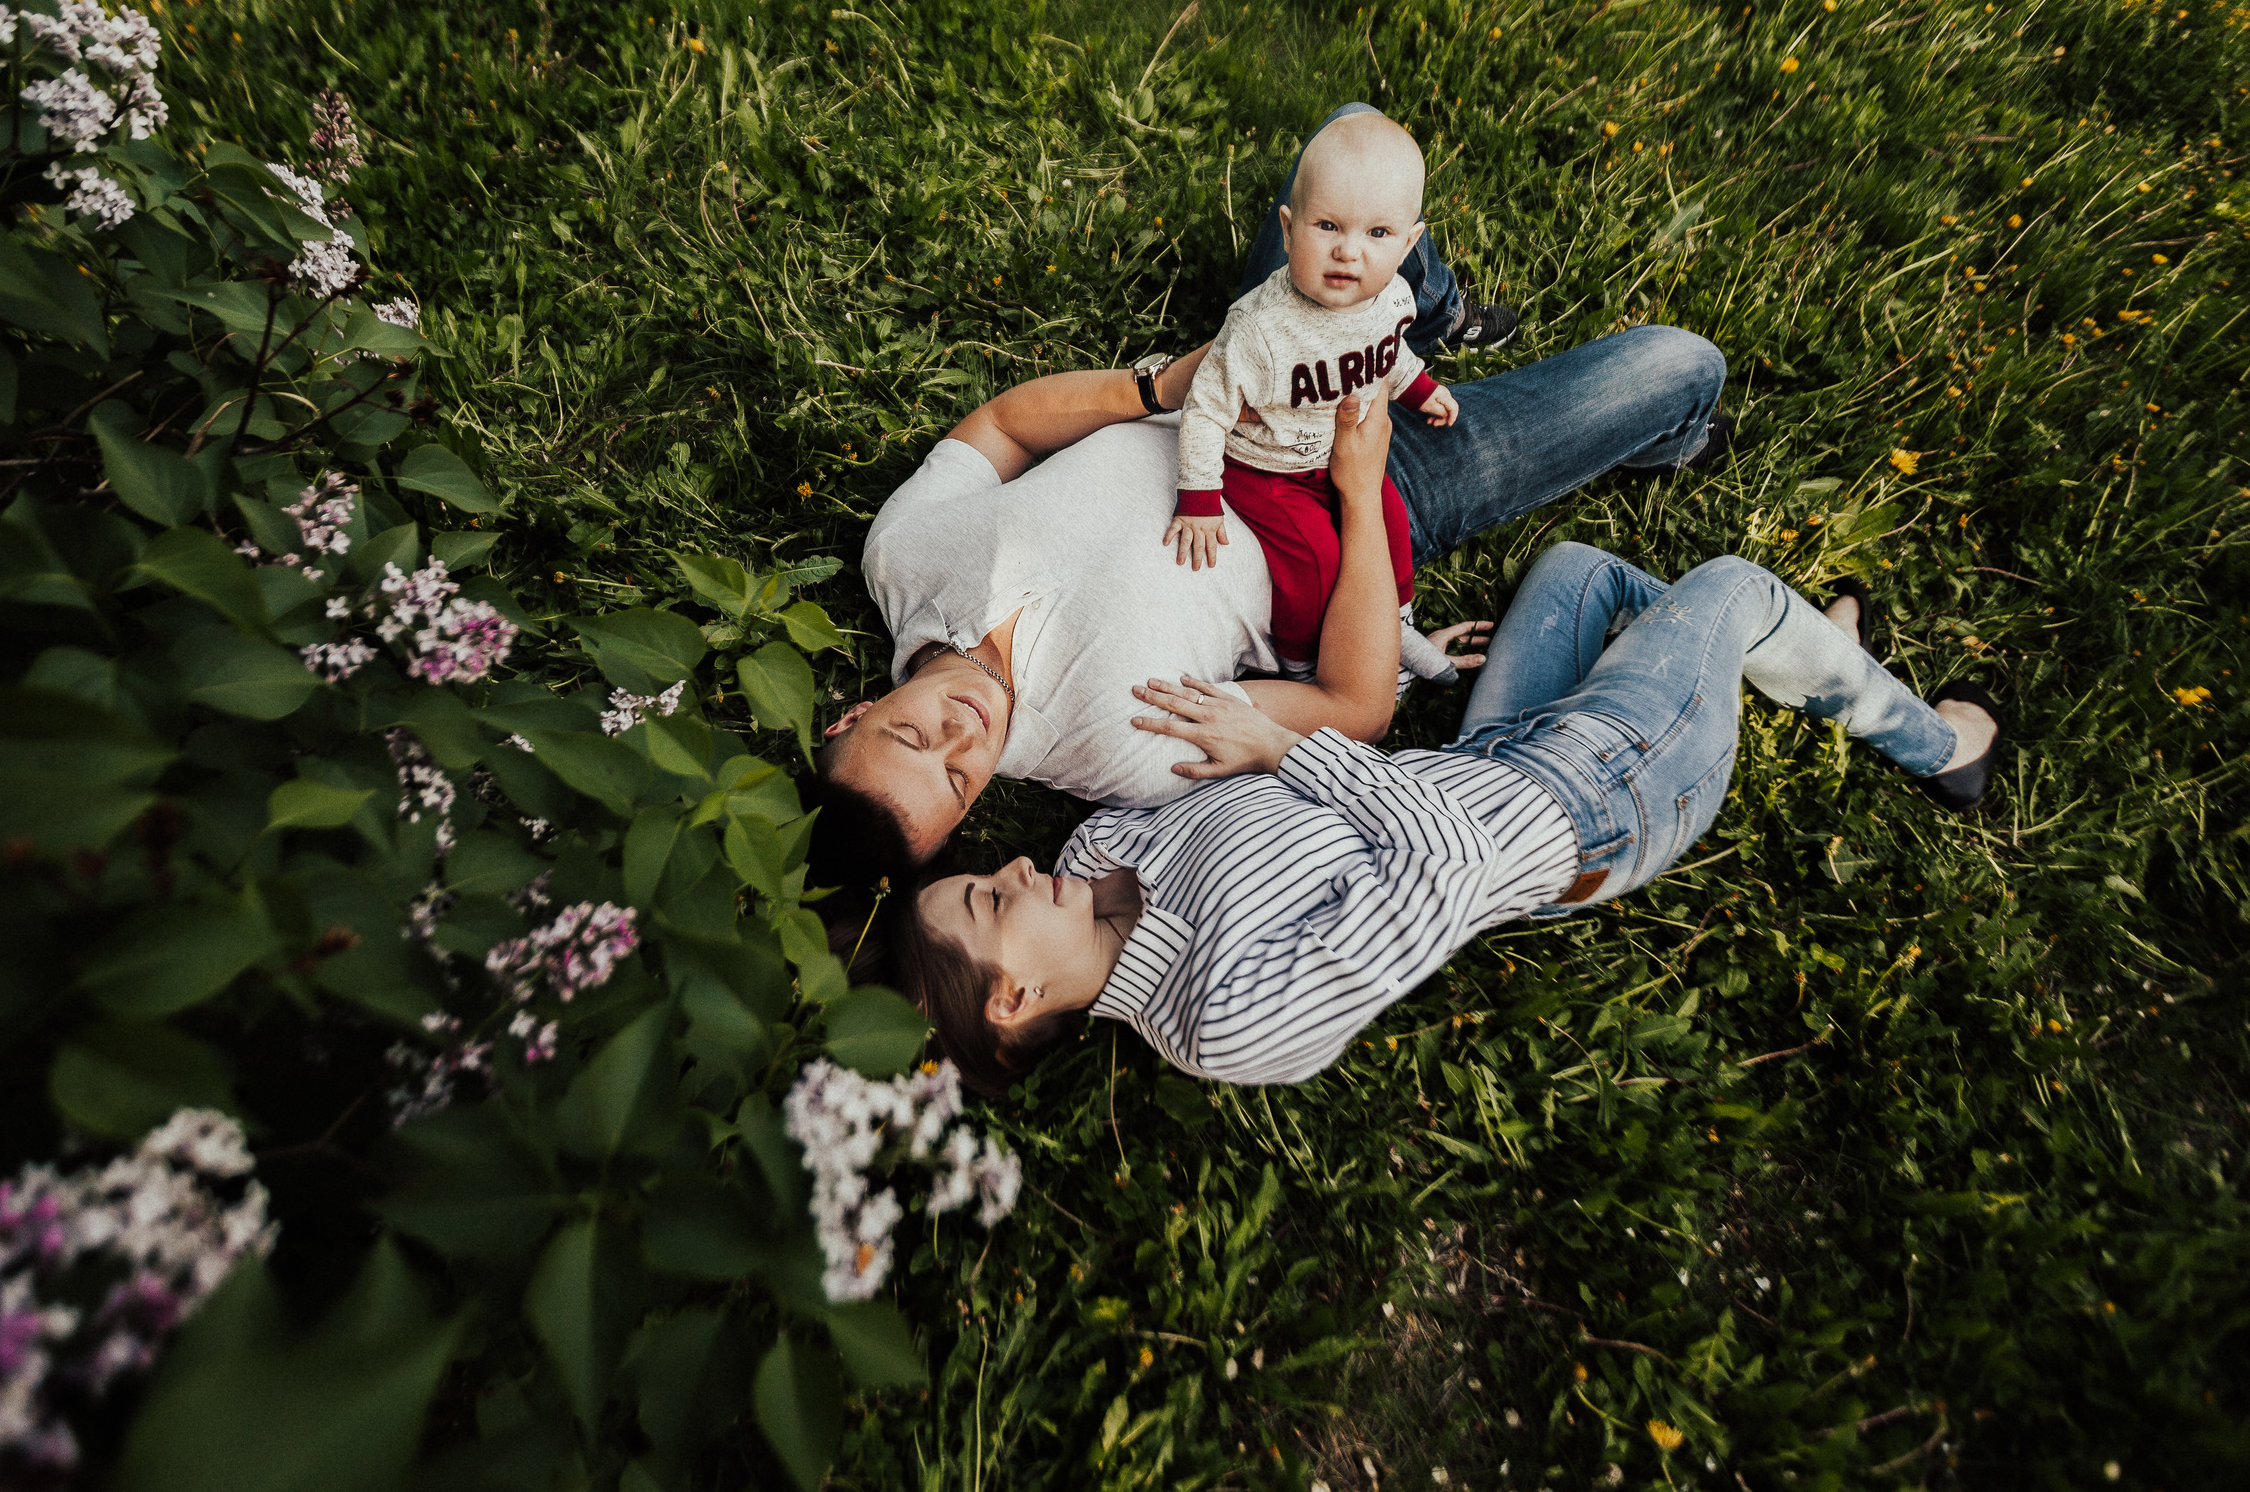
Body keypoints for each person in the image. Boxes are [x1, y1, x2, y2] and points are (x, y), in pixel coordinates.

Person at [855, 386, 2001, 1094]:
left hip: (1486, 755)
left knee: (1580, 576)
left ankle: (1781, 654)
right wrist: (1283, 751)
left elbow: (1275, 693)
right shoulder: (1221, 1019)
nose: (1007, 865)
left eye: (983, 879)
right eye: (990, 904)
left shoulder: (1102, 848)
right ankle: (1937, 744)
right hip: (1584, 806)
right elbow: (1447, 867)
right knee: (1730, 584)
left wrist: (1399, 653)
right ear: (1012, 1004)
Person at [820, 102, 1732, 867]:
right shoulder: (1119, 750)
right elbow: (1354, 705)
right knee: (1679, 364)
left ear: (855, 714)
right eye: (957, 777)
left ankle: (1425, 311)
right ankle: (1674, 436)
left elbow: (1002, 425)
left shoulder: (902, 560)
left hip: (1241, 367)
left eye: (909, 736)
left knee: (1347, 142)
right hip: (1355, 493)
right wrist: (1364, 485)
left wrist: (1161, 386)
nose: (959, 734)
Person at [1169, 113, 1462, 682]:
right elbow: (1205, 408)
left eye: (1377, 234)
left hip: (1337, 457)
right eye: (1327, 226)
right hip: (1268, 468)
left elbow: (1388, 353)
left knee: (1389, 519)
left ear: (1409, 243)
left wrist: (1419, 387)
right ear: (1287, 228)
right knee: (1313, 556)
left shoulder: (1392, 298)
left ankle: (1393, 624)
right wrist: (1199, 496)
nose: (1348, 253)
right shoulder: (1259, 329)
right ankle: (1301, 660)